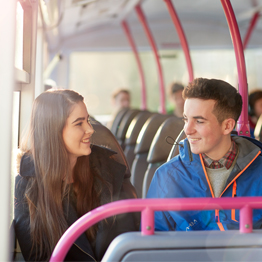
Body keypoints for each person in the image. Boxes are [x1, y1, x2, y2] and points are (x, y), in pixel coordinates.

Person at [14, 89, 140, 262]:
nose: (90, 129)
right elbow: (38, 256)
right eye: (79, 123)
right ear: (54, 131)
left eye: (87, 120)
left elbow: (131, 241)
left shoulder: (110, 171)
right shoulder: (28, 186)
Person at [147, 78, 262, 231]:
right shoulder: (167, 177)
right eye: (186, 119)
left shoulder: (259, 170)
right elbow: (152, 246)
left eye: (199, 121)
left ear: (227, 126)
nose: (187, 130)